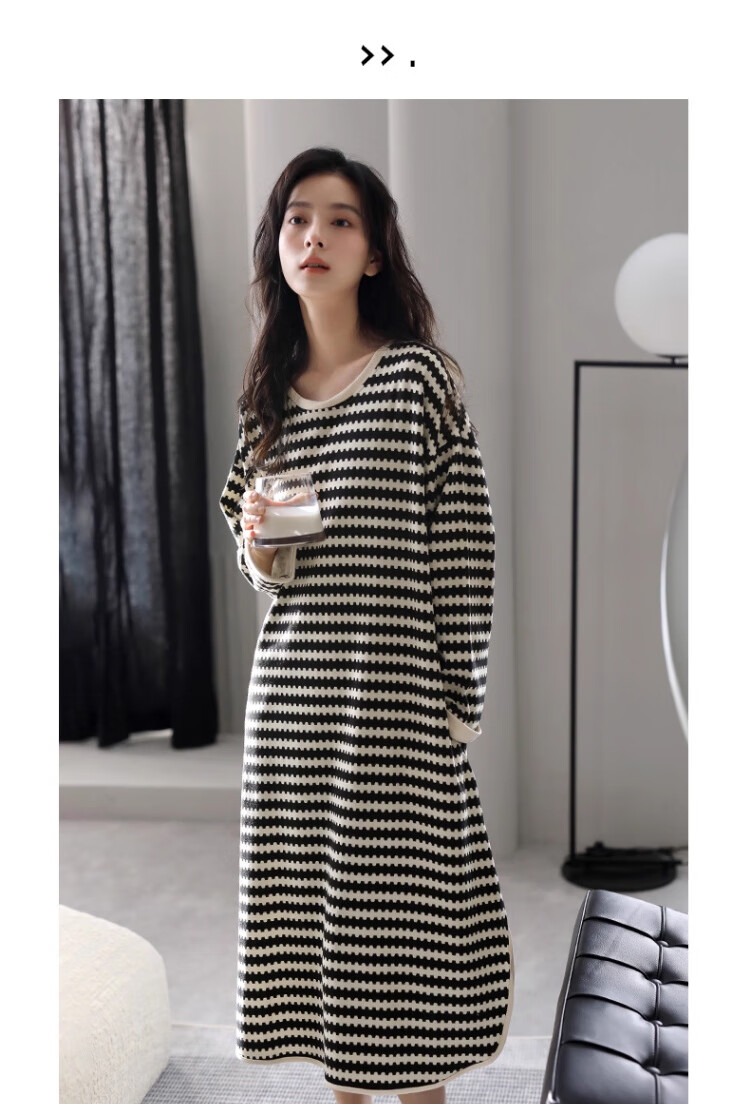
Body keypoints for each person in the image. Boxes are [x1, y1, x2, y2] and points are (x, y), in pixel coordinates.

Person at [220, 147, 514, 1103]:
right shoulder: (266, 399)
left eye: (340, 220)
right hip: (292, 709)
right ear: (279, 244)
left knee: (410, 945)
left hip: (398, 705)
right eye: (298, 218)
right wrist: (260, 545)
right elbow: (266, 572)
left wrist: (458, 703)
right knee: (321, 946)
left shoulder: (419, 379)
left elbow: (465, 551)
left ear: (375, 251)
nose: (315, 235)